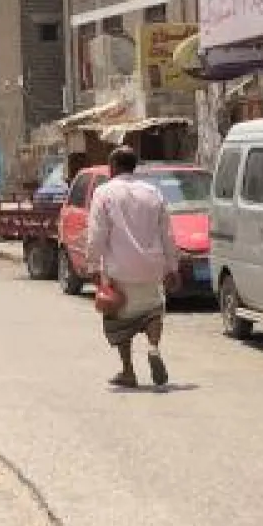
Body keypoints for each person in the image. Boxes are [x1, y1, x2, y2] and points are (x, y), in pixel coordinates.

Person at [84, 145, 180, 388]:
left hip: (119, 270)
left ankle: (128, 371)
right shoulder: (153, 193)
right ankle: (153, 346)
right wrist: (172, 268)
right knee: (153, 311)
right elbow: (167, 234)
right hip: (151, 268)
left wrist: (93, 265)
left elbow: (97, 233)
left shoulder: (104, 193)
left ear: (112, 167)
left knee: (119, 321)